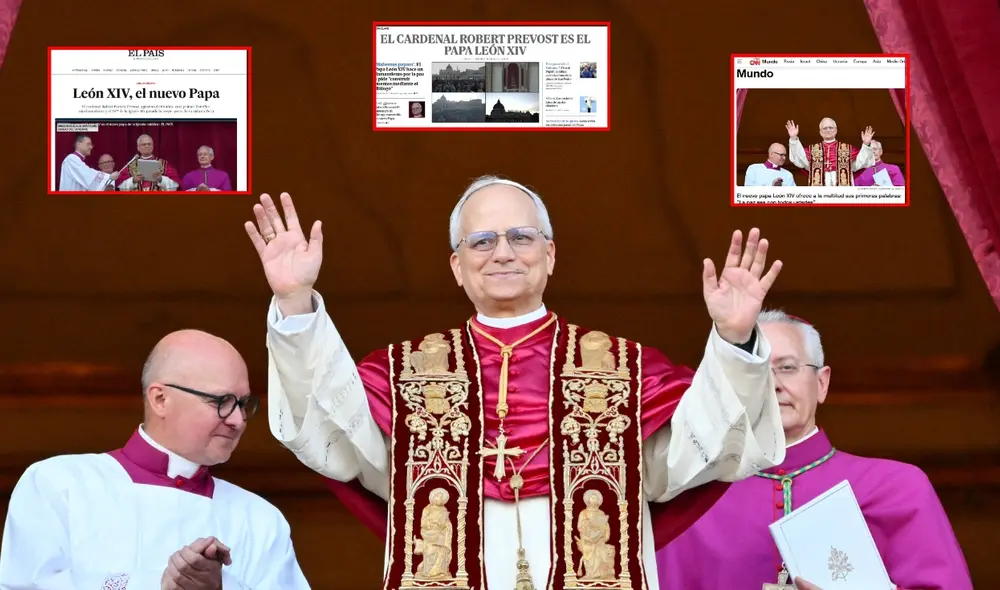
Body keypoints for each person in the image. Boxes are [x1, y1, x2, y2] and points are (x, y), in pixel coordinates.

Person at [245, 176, 788, 590]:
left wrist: (734, 339)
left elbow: (700, 451)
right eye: (481, 241)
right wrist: (295, 303)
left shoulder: (624, 369)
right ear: (456, 266)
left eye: (521, 237)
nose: (502, 252)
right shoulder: (405, 373)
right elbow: (331, 434)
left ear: (550, 255)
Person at [656, 310, 973, 590]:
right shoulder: (691, 501)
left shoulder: (897, 487)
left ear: (822, 383)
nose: (773, 384)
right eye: (756, 371)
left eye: (787, 367)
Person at [0, 329, 310, 589]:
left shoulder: (261, 520)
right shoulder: (59, 484)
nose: (238, 420)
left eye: (243, 404)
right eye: (222, 401)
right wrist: (156, 584)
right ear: (160, 399)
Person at [786, 118, 875, 186]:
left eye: (831, 127)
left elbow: (860, 163)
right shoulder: (812, 150)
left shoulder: (848, 149)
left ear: (836, 130)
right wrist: (793, 138)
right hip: (819, 195)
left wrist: (866, 145)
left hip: (843, 195)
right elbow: (799, 160)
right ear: (820, 132)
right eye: (825, 128)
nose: (828, 130)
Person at [117, 134, 181, 191]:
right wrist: (133, 180)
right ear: (138, 148)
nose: (147, 146)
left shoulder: (164, 164)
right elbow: (121, 188)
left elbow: (174, 186)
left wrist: (161, 179)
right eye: (144, 144)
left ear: (153, 146)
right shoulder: (130, 166)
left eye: (149, 144)